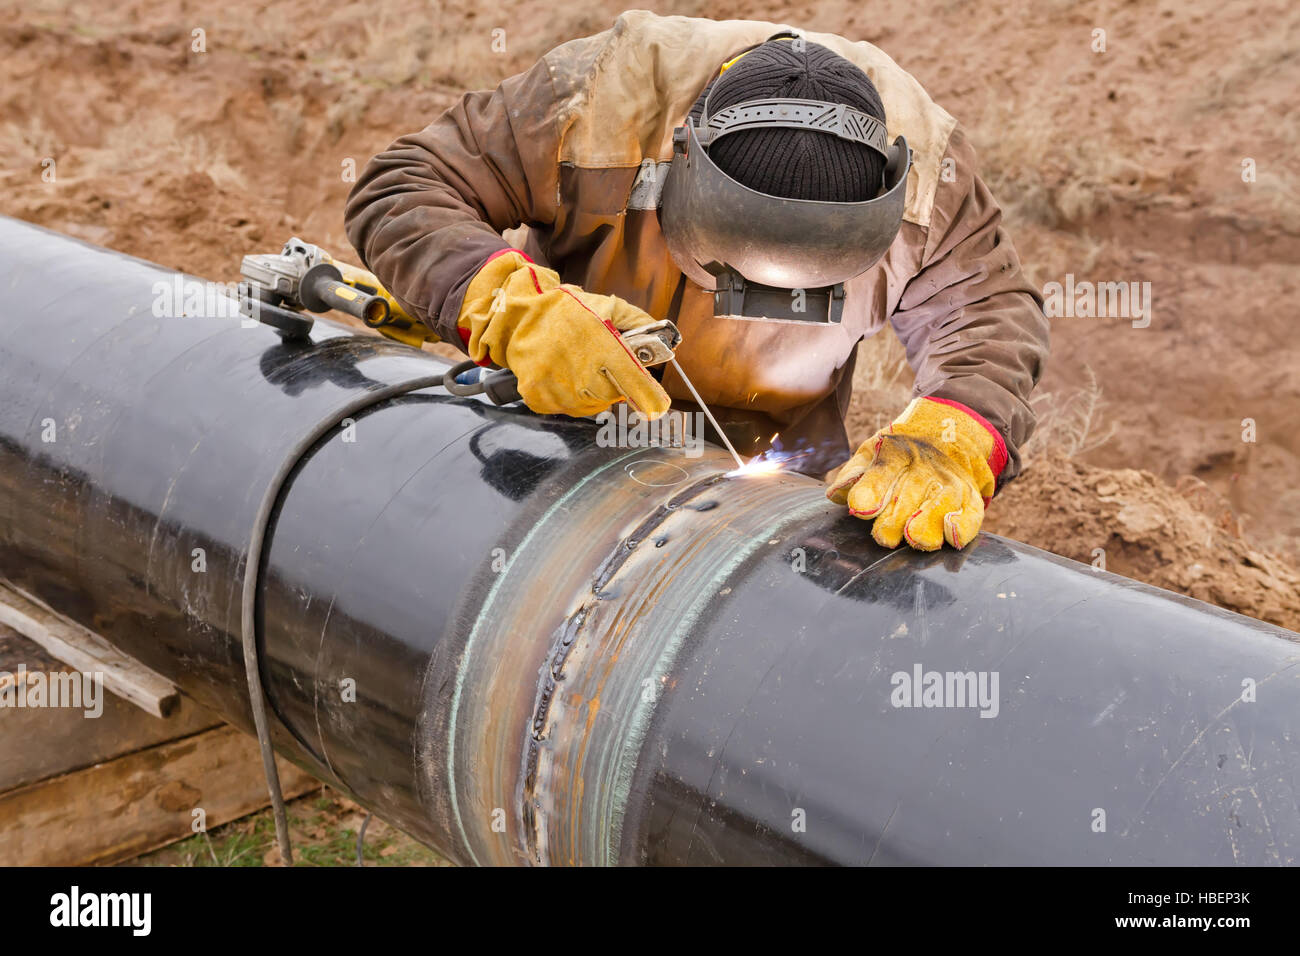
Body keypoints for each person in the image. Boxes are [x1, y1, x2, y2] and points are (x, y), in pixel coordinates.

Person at [344, 11, 1049, 551]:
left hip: (773, 474)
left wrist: (963, 424)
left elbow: (988, 306)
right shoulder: (600, 101)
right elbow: (407, 184)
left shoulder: (929, 173)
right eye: (731, 266)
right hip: (564, 435)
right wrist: (506, 302)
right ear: (681, 159)